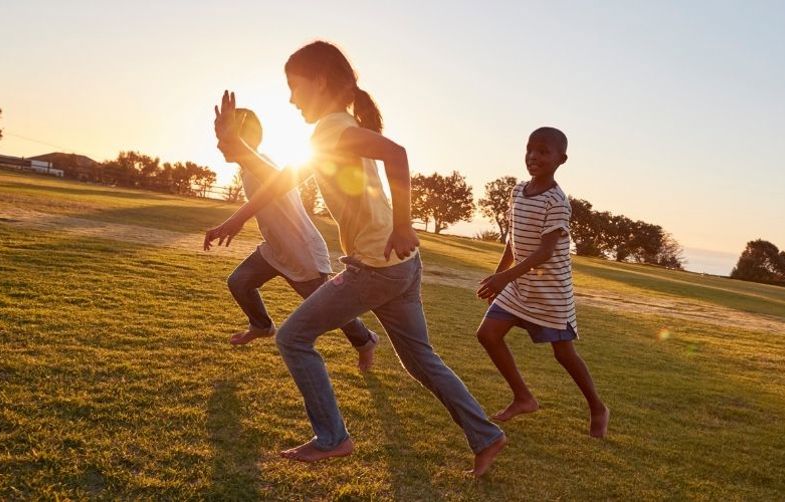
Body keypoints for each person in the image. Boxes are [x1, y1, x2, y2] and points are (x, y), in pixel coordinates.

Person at [204, 40, 506, 475]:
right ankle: (487, 436)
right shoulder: (334, 129)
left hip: (374, 266)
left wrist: (404, 223)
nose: (290, 99)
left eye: (294, 87)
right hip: (399, 267)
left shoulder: (330, 129)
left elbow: (396, 153)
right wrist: (236, 205)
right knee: (421, 360)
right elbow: (282, 179)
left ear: (320, 81)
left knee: (292, 338)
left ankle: (333, 438)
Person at [217, 108, 377, 372]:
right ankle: (261, 326)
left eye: (227, 137)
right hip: (275, 250)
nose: (220, 144)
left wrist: (235, 220)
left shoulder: (261, 165)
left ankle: (365, 341)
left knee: (330, 310)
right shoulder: (247, 170)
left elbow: (274, 180)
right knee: (239, 282)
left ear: (245, 139)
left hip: (301, 251)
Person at [475, 127, 608, 438]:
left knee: (563, 354)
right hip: (518, 285)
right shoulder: (516, 192)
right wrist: (499, 278)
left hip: (551, 292)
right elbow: (514, 241)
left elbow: (545, 252)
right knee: (488, 335)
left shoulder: (557, 202)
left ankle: (598, 408)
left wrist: (502, 278)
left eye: (543, 151)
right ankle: (523, 397)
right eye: (530, 149)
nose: (534, 156)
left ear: (561, 159)